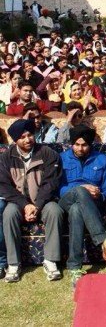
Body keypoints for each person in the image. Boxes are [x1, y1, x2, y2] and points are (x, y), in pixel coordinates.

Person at [0, 119, 63, 282]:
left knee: (55, 211)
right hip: (18, 203)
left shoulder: (47, 153)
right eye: (22, 137)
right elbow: (4, 186)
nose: (27, 139)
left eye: (30, 135)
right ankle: (14, 264)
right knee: (8, 214)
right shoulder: (6, 157)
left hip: (42, 201)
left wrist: (36, 205)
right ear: (15, 140)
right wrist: (25, 205)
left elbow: (51, 183)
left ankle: (50, 261)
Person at [58, 125, 106, 286]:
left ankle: (75, 267)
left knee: (77, 210)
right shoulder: (62, 158)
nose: (80, 148)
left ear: (90, 145)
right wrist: (81, 189)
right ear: (72, 144)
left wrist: (100, 194)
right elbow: (58, 188)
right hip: (66, 200)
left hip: (90, 204)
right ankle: (102, 239)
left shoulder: (101, 159)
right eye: (76, 144)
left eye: (84, 145)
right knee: (80, 192)